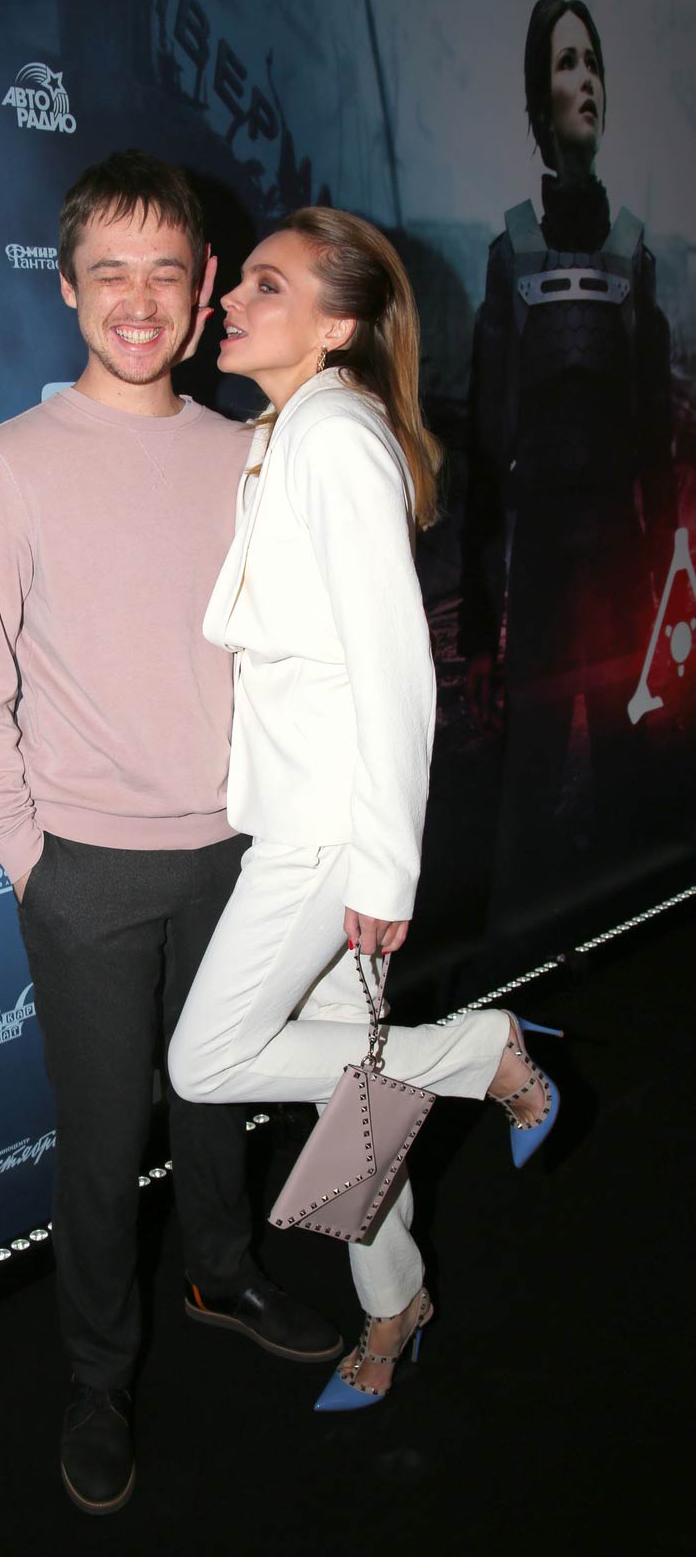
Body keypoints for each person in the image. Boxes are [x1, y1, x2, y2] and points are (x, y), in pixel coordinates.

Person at [0, 151, 341, 1515]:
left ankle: (221, 1274)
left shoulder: (246, 453)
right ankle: (98, 1374)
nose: (137, 297)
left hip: (239, 854)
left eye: (165, 270)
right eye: (108, 269)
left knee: (218, 1102)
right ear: (64, 287)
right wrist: (28, 860)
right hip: (86, 874)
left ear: (204, 285)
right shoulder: (9, 463)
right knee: (105, 1144)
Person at [167, 206, 561, 1410]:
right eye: (239, 282)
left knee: (205, 1058)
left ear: (335, 326)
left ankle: (483, 1048)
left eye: (267, 287)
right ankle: (393, 1303)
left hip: (328, 830)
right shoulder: (286, 431)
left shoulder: (333, 437)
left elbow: (396, 669)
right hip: (302, 811)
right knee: (353, 1095)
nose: (229, 301)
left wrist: (383, 868)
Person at [461, 0, 674, 932]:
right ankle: (514, 977)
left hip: (621, 576)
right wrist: (479, 634)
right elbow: (482, 451)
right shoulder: (510, 253)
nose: (583, 82)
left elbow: (655, 450)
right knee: (531, 802)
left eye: (591, 63)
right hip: (543, 571)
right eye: (563, 64)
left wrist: (667, 603)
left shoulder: (634, 253)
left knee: (632, 796)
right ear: (534, 100)